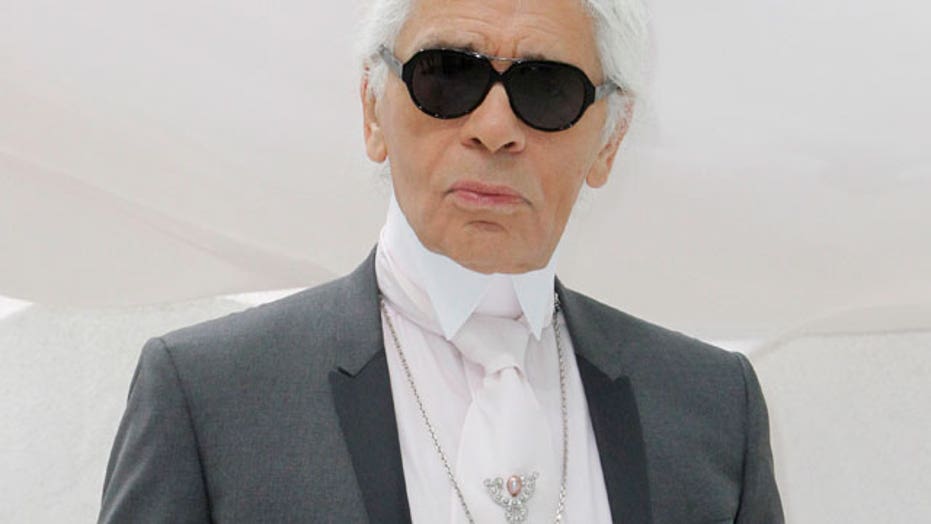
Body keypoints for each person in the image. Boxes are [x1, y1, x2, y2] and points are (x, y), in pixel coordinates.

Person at [99, 0, 783, 522]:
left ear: (609, 139)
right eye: (448, 76)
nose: (493, 128)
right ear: (372, 110)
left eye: (546, 89)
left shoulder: (712, 408)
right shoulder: (212, 396)